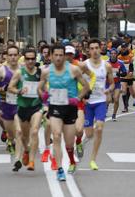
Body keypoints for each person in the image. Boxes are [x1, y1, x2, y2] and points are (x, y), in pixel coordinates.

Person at [37, 44, 91, 181]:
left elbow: (86, 86)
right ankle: (60, 168)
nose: (59, 58)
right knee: (56, 136)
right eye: (56, 55)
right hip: (55, 108)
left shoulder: (74, 70)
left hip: (70, 109)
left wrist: (78, 98)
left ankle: (72, 161)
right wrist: (44, 98)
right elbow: (39, 87)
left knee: (68, 143)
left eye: (61, 55)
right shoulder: (46, 72)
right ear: (50, 56)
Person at [81, 39, 115, 171]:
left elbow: (111, 83)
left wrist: (109, 89)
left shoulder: (106, 66)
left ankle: (93, 160)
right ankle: (82, 144)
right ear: (88, 51)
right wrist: (81, 94)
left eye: (97, 48)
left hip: (100, 101)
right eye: (92, 48)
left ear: (100, 49)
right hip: (87, 102)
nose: (95, 50)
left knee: (99, 129)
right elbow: (76, 80)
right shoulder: (84, 65)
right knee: (89, 134)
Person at [8, 48, 44, 172]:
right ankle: (21, 156)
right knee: (20, 134)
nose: (30, 61)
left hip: (36, 107)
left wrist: (43, 94)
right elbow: (10, 87)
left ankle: (32, 161)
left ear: (36, 59)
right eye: (27, 59)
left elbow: (46, 88)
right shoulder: (19, 73)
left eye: (32, 59)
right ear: (24, 59)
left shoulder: (41, 73)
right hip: (22, 107)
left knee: (34, 132)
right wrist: (19, 91)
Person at [0, 45, 21, 156]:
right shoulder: (1, 70)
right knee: (10, 132)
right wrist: (2, 89)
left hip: (20, 104)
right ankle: (10, 141)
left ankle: (19, 158)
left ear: (19, 56)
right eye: (10, 55)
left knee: (19, 130)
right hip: (6, 103)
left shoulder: (23, 69)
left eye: (15, 55)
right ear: (6, 57)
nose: (13, 57)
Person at [107, 48, 127, 121]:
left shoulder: (120, 63)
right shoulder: (106, 63)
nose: (113, 55)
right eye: (111, 53)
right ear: (109, 54)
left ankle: (114, 115)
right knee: (108, 100)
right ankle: (105, 110)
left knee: (116, 99)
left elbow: (125, 73)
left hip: (117, 83)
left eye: (114, 53)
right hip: (108, 84)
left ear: (117, 54)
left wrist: (120, 73)